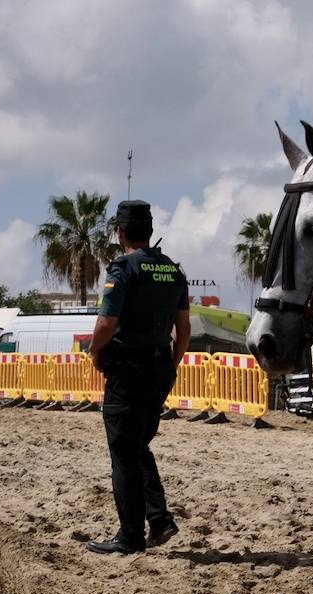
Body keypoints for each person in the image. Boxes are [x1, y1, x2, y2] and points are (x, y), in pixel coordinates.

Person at [85, 200, 191, 555]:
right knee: (138, 445)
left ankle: (130, 535)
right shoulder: (173, 270)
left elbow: (106, 323)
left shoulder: (123, 268)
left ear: (120, 232)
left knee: (123, 452)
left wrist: (96, 351)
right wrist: (172, 364)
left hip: (129, 367)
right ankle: (159, 519)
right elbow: (184, 329)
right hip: (161, 365)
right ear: (148, 229)